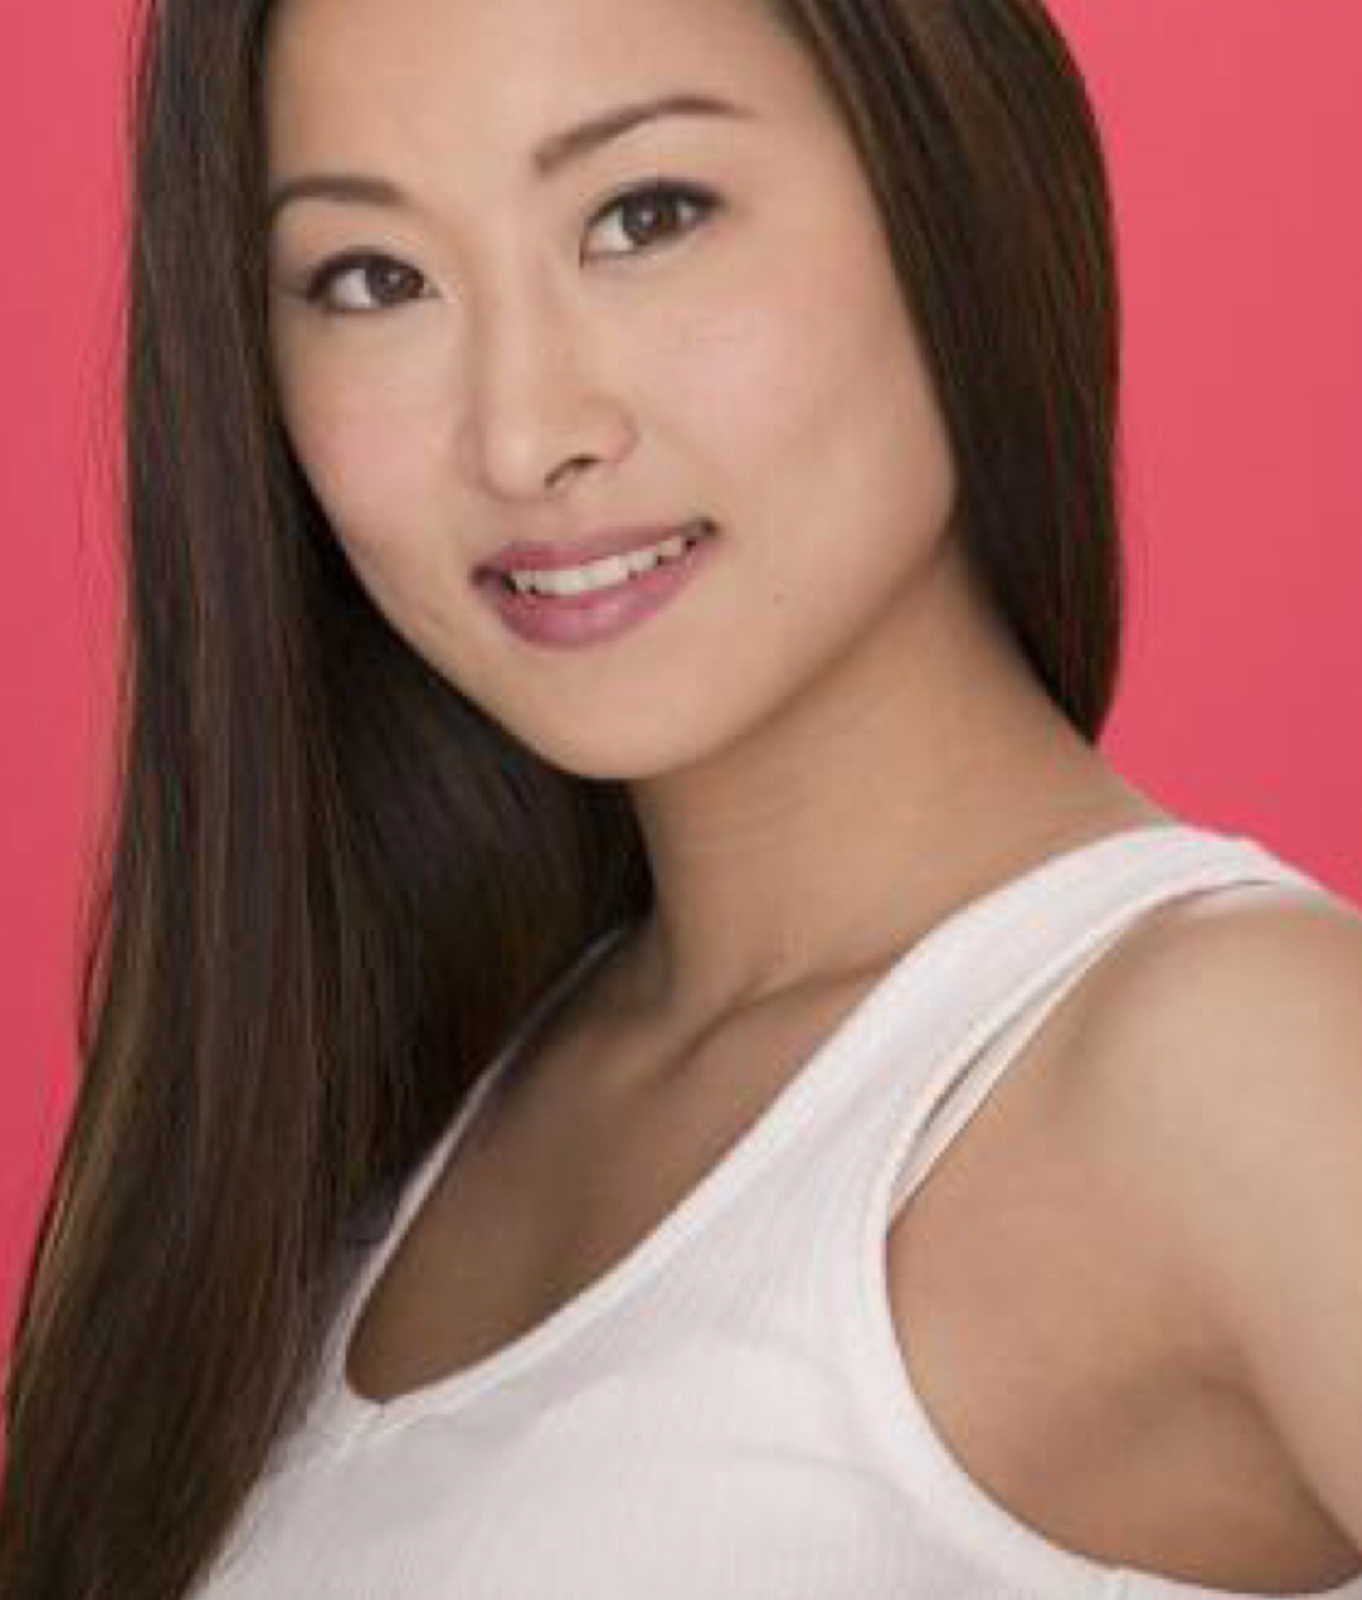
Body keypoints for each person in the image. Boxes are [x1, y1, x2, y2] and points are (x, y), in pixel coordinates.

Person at [2, 0, 1359, 1595]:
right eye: (373, 279)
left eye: (646, 216)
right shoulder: (346, 1135)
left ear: (949, 184)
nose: (524, 435)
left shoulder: (1231, 1063)